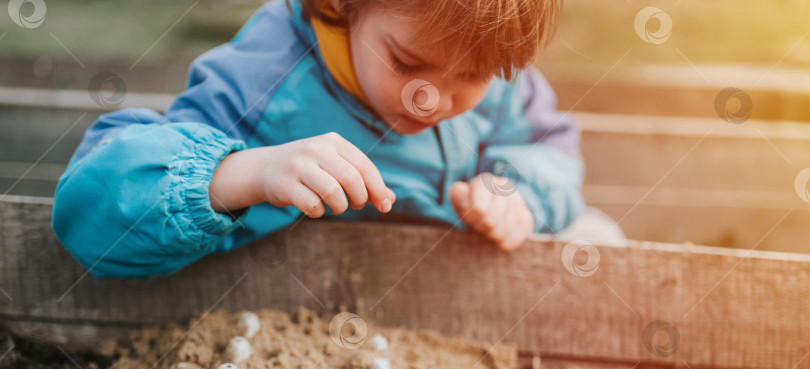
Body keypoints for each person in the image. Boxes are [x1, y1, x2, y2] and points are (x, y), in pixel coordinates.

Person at [52, 0, 619, 279]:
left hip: (452, 309)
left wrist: (515, 192)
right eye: (406, 63)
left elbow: (549, 148)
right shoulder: (269, 78)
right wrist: (246, 173)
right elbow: (92, 209)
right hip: (303, 309)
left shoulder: (491, 58)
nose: (433, 100)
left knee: (600, 238)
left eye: (469, 79)